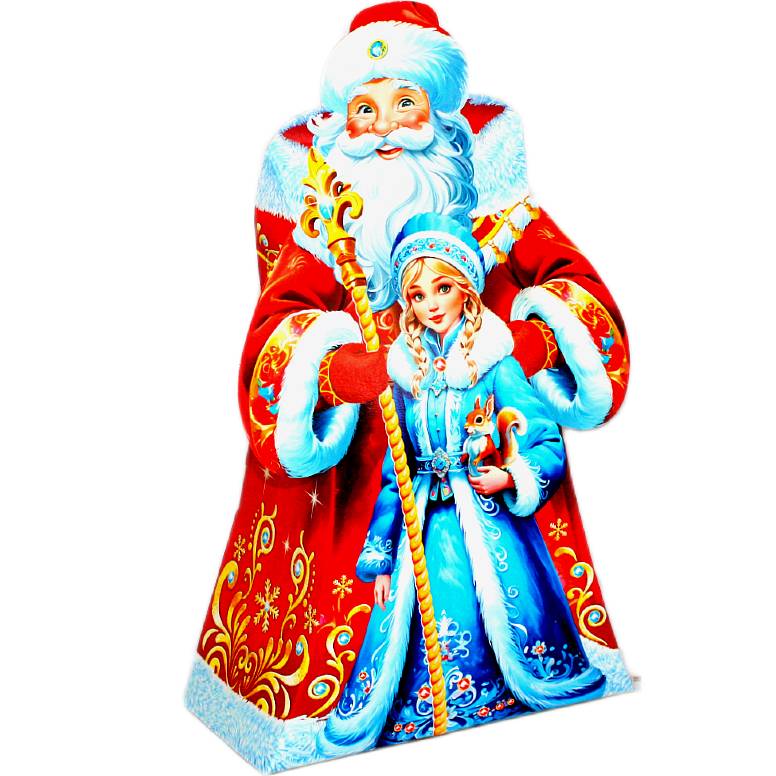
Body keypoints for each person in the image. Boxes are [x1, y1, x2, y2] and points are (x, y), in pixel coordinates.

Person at [186, 4, 632, 772]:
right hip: (367, 476)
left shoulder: (494, 210)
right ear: (342, 120)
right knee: (383, 612)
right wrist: (359, 372)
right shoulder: (326, 225)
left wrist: (513, 343)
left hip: (486, 453)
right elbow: (274, 342)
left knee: (510, 600)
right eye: (365, 109)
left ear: (439, 114)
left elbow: (584, 302)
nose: (386, 128)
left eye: (404, 104)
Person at [316, 213, 606, 758]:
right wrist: (381, 559)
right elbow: (393, 474)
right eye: (417, 294)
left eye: (442, 288)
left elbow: (544, 440)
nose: (431, 304)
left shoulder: (496, 365)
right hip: (422, 521)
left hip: (490, 520)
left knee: (494, 608)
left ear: (466, 290)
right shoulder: (409, 377)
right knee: (408, 627)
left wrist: (511, 475)